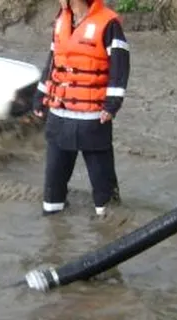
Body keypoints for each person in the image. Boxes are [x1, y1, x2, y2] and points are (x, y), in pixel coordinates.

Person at [32, 0, 131, 217]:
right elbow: (53, 62)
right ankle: (55, 231)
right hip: (59, 117)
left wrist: (112, 104)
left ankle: (113, 232)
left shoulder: (108, 23)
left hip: (93, 119)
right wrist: (41, 95)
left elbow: (120, 66)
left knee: (104, 189)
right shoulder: (62, 19)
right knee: (53, 187)